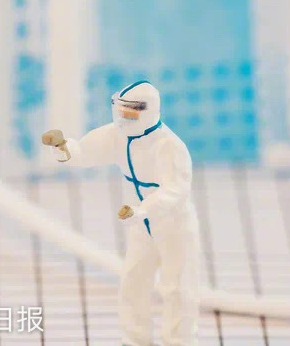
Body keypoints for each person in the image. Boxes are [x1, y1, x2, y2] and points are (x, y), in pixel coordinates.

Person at [42, 80, 199, 346]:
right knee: (134, 280)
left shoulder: (169, 145)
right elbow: (86, 151)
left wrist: (143, 210)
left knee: (177, 286)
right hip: (138, 223)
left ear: (148, 111)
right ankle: (135, 340)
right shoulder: (116, 135)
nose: (123, 119)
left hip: (172, 223)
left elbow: (175, 191)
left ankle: (179, 341)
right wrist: (63, 147)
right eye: (120, 112)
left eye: (130, 114)